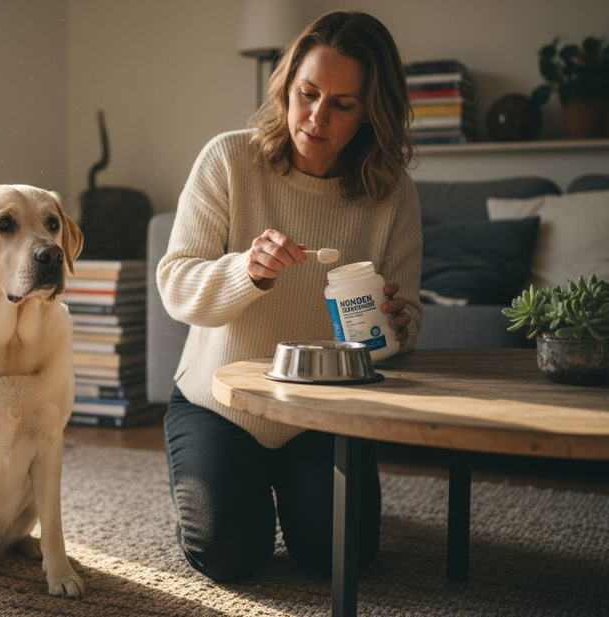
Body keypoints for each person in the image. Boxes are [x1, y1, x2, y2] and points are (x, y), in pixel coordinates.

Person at [156, 11, 421, 582]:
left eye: (343, 105)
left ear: (372, 113)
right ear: (286, 87)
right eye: (307, 93)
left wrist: (399, 326)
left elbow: (409, 317)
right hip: (218, 403)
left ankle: (295, 493)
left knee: (341, 557)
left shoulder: (391, 191)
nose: (317, 117)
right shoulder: (228, 160)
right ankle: (212, 481)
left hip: (325, 412)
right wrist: (244, 272)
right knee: (227, 556)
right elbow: (176, 286)